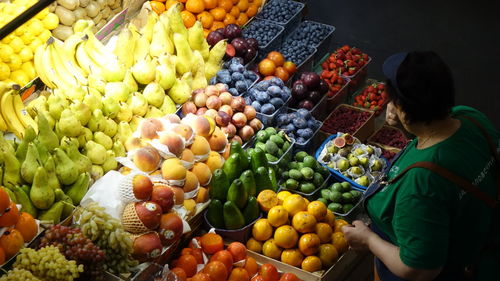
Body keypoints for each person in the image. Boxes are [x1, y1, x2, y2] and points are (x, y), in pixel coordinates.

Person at [341, 51, 500, 281]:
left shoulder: (421, 184)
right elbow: (434, 140)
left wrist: (369, 240)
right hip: (482, 243)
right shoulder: (469, 117)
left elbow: (419, 269)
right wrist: (407, 126)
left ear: (404, 109)